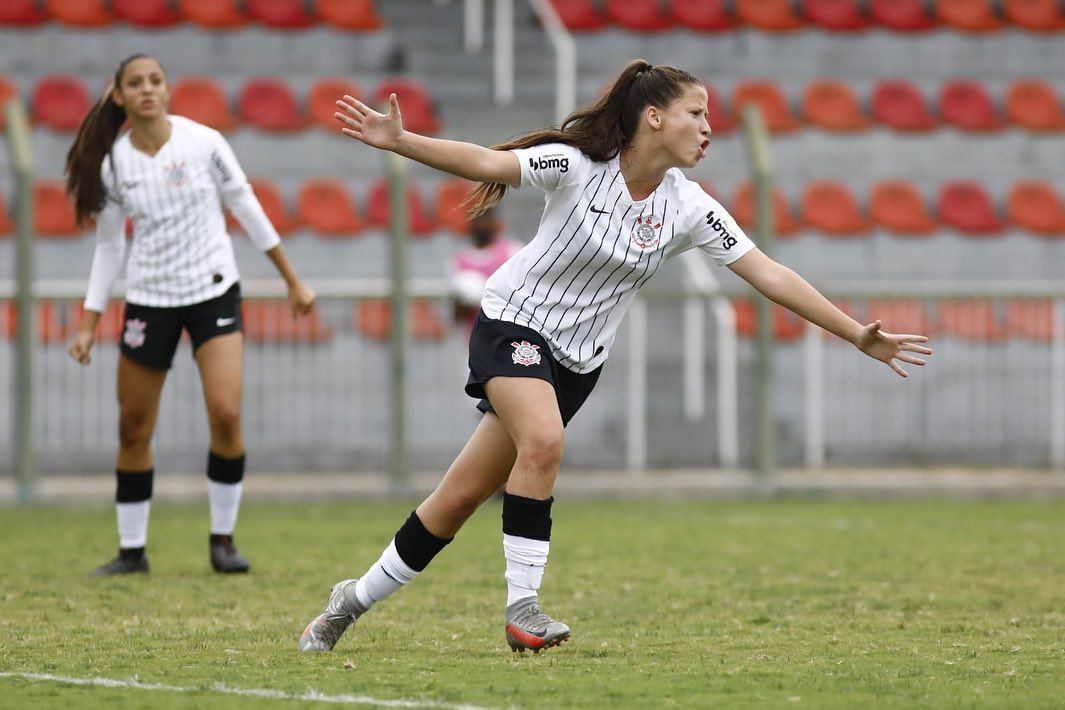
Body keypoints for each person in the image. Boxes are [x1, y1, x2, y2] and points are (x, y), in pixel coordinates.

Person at [298, 59, 932, 654]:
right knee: (543, 443)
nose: (709, 129)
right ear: (653, 117)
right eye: (695, 114)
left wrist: (856, 334)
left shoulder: (689, 206)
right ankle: (524, 610)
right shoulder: (576, 163)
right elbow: (486, 163)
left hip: (577, 363)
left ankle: (349, 601)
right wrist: (401, 142)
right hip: (511, 324)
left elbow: (769, 274)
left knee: (458, 498)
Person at [65, 54, 317, 576]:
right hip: (150, 299)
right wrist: (89, 323)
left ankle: (222, 540)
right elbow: (109, 248)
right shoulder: (113, 164)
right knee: (133, 426)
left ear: (168, 89)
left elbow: (245, 205)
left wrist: (292, 279)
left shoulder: (204, 143)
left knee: (225, 413)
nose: (147, 90)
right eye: (135, 83)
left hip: (213, 293)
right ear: (119, 97)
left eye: (155, 80)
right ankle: (131, 551)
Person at [448, 207, 521, 340]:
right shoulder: (459, 261)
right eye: (477, 219)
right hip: (475, 341)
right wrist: (468, 301)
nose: (482, 223)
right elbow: (456, 315)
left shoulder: (513, 253)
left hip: (508, 338)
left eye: (486, 218)